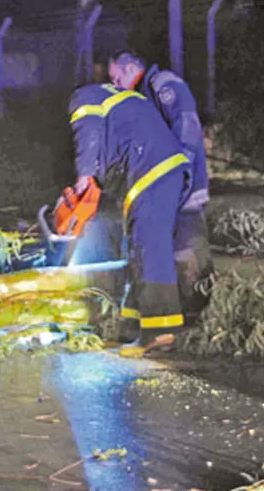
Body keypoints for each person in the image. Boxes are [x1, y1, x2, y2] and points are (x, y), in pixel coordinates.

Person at [68, 82, 191, 355]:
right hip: (159, 171)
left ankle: (161, 332)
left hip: (152, 172)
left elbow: (87, 132)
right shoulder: (117, 99)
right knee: (139, 250)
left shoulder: (83, 96)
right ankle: (131, 329)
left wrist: (83, 175)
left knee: (150, 250)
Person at [108, 50, 213, 323]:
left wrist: (181, 175)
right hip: (157, 195)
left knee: (187, 253)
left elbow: (187, 126)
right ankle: (167, 318)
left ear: (131, 68)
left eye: (117, 78)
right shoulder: (136, 101)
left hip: (184, 192)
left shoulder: (162, 85)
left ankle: (199, 317)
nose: (115, 85)